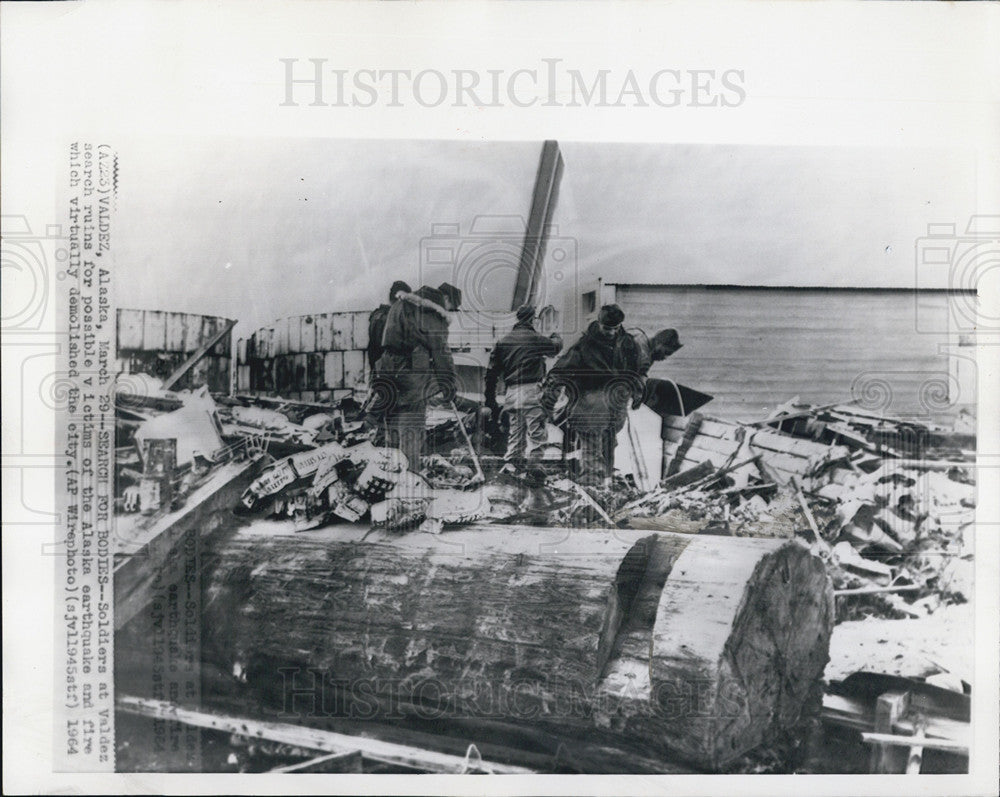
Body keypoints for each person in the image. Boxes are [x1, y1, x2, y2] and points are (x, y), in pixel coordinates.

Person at [543, 304, 641, 486]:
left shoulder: (628, 344)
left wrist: (637, 392)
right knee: (591, 452)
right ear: (599, 323)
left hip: (615, 409)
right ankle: (590, 493)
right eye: (607, 328)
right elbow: (558, 374)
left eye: (615, 328)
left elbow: (635, 372)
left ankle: (605, 486)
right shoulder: (583, 347)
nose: (611, 333)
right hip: (589, 408)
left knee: (609, 446)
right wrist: (549, 402)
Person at [370, 284, 457, 471]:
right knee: (411, 430)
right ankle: (410, 479)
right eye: (452, 307)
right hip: (412, 379)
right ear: (446, 299)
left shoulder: (399, 305)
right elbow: (441, 351)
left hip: (388, 373)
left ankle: (388, 477)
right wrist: (448, 384)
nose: (450, 311)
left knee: (392, 430)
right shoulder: (432, 313)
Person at [484, 305, 563, 471]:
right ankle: (534, 473)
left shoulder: (503, 342)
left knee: (515, 435)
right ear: (533, 319)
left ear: (517, 319)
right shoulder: (536, 339)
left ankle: (510, 471)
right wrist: (555, 333)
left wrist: (489, 400)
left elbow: (491, 374)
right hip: (532, 391)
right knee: (537, 435)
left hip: (511, 393)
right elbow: (555, 348)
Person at [367, 280, 411, 371]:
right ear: (400, 298)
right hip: (388, 373)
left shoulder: (377, 316)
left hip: (378, 372)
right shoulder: (388, 319)